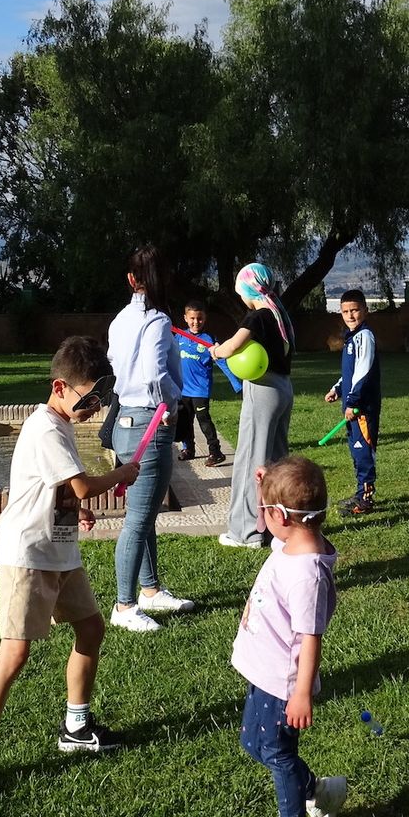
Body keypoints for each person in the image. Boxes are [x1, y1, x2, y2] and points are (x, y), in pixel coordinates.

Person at [0, 336, 141, 805]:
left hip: (60, 550)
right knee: (14, 654)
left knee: (91, 629)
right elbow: (82, 485)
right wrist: (120, 475)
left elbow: (59, 488)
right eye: (89, 399)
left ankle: (76, 726)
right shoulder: (46, 428)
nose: (95, 408)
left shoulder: (61, 424)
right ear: (60, 387)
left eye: (101, 398)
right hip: (28, 554)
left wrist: (74, 508)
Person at [231, 455, 346, 817]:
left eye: (264, 508)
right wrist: (266, 485)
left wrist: (300, 694)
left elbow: (310, 638)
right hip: (265, 673)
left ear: (279, 516)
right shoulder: (294, 541)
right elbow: (285, 522)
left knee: (277, 753)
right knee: (255, 744)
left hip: (282, 683)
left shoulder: (306, 575)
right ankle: (319, 791)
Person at [105, 245, 195, 632]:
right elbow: (155, 373)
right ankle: (124, 605)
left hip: (126, 418)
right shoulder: (157, 320)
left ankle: (150, 590)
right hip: (150, 421)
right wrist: (171, 402)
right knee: (138, 520)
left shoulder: (121, 320)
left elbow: (114, 364)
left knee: (143, 515)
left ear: (131, 279)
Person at [211, 263, 295, 548]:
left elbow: (232, 346)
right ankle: (279, 527)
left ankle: (246, 533)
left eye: (240, 292)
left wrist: (217, 351)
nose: (241, 298)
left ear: (249, 289)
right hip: (284, 389)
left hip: (263, 390)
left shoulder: (258, 316)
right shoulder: (280, 313)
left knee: (251, 460)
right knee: (277, 461)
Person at [323, 288, 382, 515]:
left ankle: (365, 499)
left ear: (365, 310)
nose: (350, 315)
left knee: (363, 450)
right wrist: (337, 389)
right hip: (352, 406)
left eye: (355, 310)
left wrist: (353, 402)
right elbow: (351, 373)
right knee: (356, 450)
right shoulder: (351, 338)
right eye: (346, 311)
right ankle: (360, 492)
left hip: (362, 408)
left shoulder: (364, 337)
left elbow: (364, 371)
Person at [174, 300, 227, 467]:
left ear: (205, 318)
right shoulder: (179, 336)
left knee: (204, 420)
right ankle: (188, 449)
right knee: (185, 421)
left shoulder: (209, 339)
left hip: (200, 390)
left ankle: (215, 452)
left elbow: (222, 362)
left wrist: (237, 385)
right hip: (183, 389)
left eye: (200, 318)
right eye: (192, 318)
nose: (196, 322)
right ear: (185, 318)